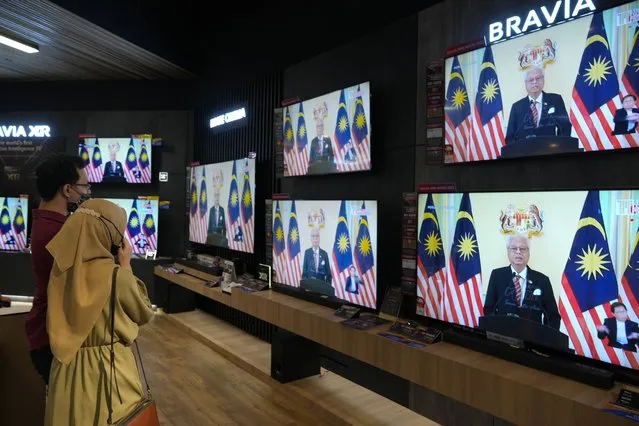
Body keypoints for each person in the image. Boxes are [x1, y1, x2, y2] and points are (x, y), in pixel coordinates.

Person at [45, 199, 154, 425]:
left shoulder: (60, 272)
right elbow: (143, 313)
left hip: (65, 371)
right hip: (110, 372)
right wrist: (126, 265)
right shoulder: (117, 276)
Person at [25, 154, 90, 386]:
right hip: (53, 339)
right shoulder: (60, 232)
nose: (86, 192)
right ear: (67, 190)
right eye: (84, 186)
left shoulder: (47, 222)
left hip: (46, 336)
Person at [483, 234, 561, 329]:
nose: (518, 252)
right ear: (508, 252)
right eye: (514, 248)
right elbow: (489, 309)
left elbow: (552, 317)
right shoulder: (497, 275)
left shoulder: (542, 280)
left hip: (533, 339)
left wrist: (546, 340)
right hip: (503, 336)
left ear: (529, 253)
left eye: (523, 249)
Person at [505, 66, 571, 143]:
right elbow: (510, 137)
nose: (535, 82)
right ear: (526, 83)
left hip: (551, 150)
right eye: (531, 80)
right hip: (525, 152)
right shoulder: (517, 107)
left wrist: (561, 148)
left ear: (543, 80)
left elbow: (565, 127)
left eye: (538, 78)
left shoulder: (555, 100)